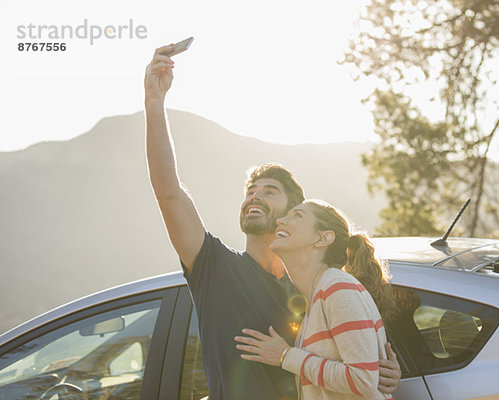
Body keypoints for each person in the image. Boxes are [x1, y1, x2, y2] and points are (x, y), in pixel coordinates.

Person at [144, 44, 401, 399]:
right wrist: (154, 102)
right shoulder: (214, 267)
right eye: (250, 190)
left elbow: (362, 355)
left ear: (292, 215)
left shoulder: (318, 286)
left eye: (269, 192)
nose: (254, 196)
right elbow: (168, 191)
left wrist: (389, 369)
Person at [235, 200, 396, 399]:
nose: (280, 220)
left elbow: (363, 380)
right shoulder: (319, 295)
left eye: (297, 215)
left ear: (323, 238)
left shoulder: (337, 288)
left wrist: (286, 356)